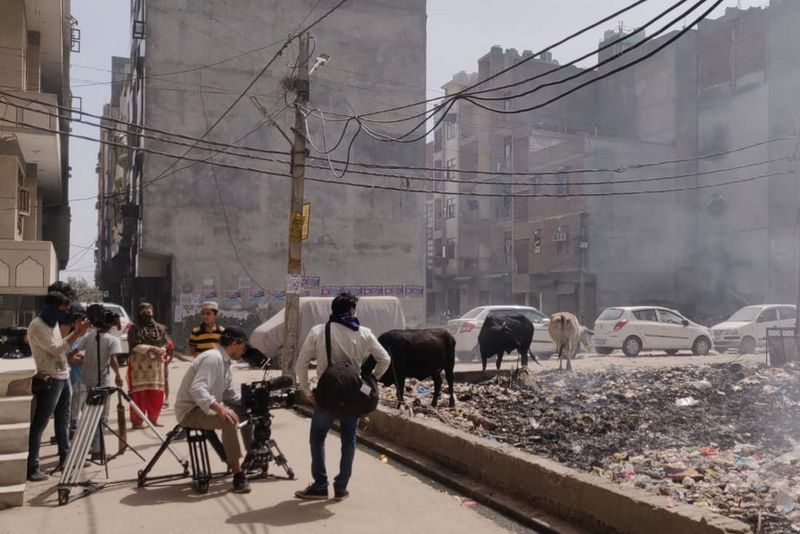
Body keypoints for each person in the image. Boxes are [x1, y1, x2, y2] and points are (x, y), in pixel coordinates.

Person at [294, 293, 391, 501]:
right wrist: (372, 379)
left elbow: (300, 364)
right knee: (349, 441)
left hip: (326, 395)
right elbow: (384, 359)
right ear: (351, 310)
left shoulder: (318, 331)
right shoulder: (363, 333)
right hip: (353, 396)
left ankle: (320, 485)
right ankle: (341, 487)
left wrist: (306, 390)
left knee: (317, 438)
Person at [174, 325, 253, 494]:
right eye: (243, 345)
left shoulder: (225, 362)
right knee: (228, 419)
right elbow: (198, 388)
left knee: (247, 411)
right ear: (234, 344)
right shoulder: (213, 358)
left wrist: (249, 402)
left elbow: (229, 394)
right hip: (190, 411)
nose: (245, 349)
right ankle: (238, 474)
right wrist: (220, 409)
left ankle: (252, 456)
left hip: (204, 407)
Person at [26, 291, 91, 481]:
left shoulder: (53, 323)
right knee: (40, 423)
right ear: (50, 307)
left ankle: (66, 458)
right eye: (61, 310)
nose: (63, 314)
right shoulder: (37, 326)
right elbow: (55, 350)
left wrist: (76, 333)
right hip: (48, 378)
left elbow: (61, 345)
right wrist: (77, 333)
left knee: (63, 421)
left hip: (63, 375)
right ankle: (32, 467)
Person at [76, 323, 124, 460]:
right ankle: (97, 450)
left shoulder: (89, 336)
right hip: (102, 383)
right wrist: (118, 376)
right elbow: (114, 359)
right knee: (101, 417)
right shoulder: (112, 339)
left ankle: (92, 446)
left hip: (87, 380)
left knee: (90, 415)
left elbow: (77, 351)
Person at [127, 303, 168, 427]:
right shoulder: (134, 329)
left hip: (155, 367)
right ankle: (137, 421)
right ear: (139, 313)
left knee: (156, 394)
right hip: (139, 368)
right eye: (144, 312)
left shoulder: (160, 328)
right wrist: (151, 348)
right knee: (139, 395)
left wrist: (162, 349)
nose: (147, 314)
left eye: (149, 312)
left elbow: (165, 343)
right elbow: (134, 346)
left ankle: (153, 419)